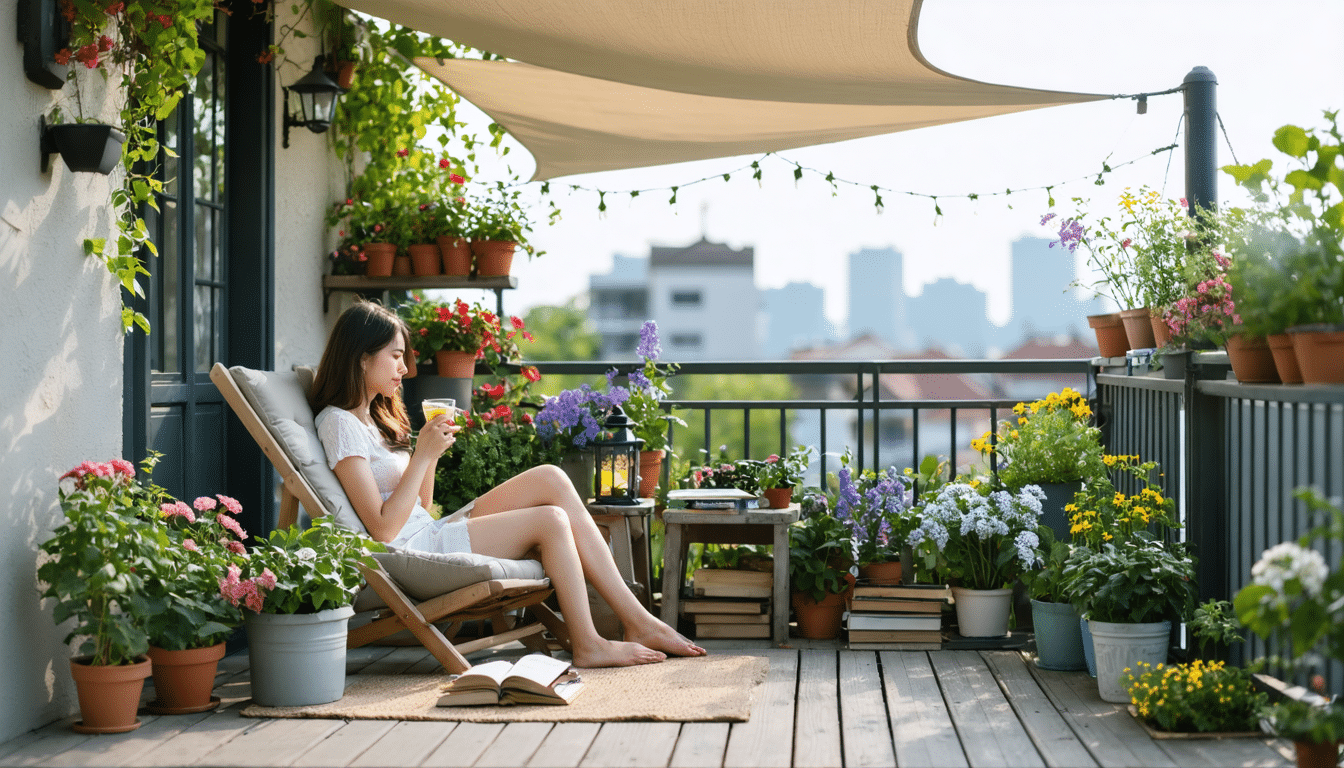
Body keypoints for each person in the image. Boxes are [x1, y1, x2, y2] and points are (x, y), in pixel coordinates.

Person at [310, 301, 704, 668]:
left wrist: (429, 453)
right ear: (362, 358)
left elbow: (422, 502)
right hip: (410, 550)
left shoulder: (376, 420)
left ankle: (638, 620)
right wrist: (422, 456)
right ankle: (589, 644)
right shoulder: (338, 422)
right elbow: (382, 528)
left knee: (551, 476)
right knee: (550, 521)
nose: (405, 370)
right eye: (396, 356)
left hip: (425, 530)